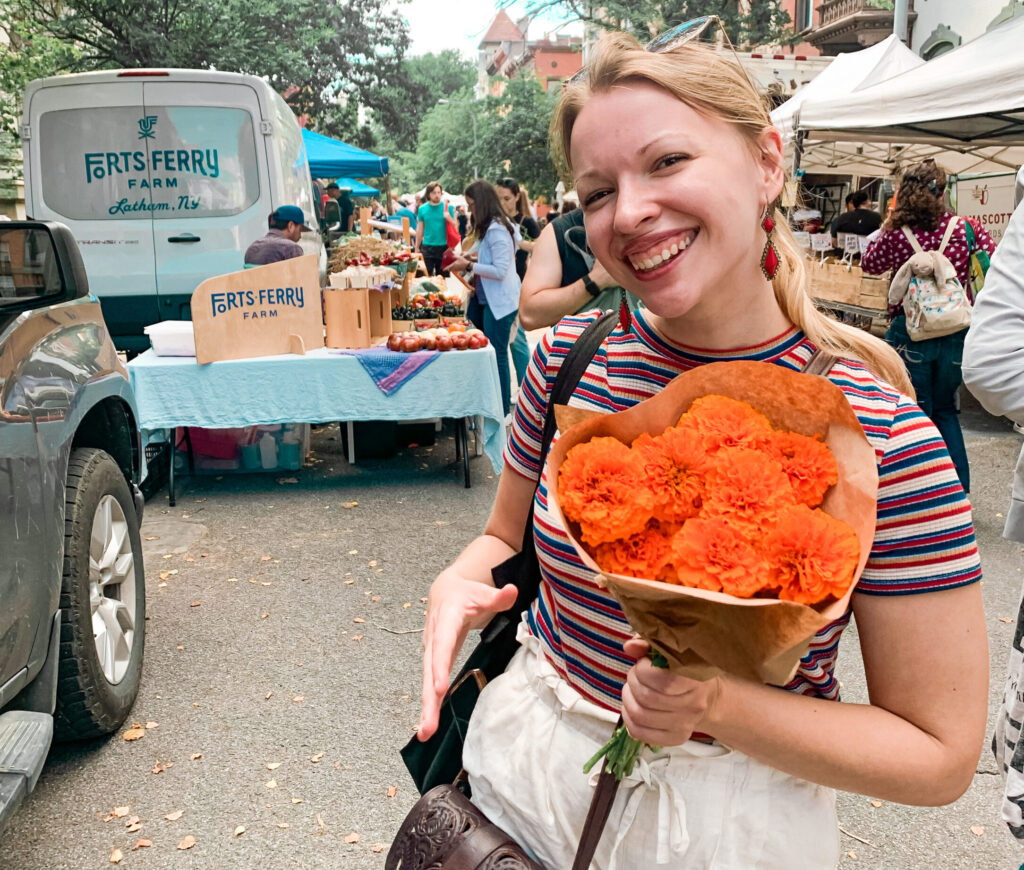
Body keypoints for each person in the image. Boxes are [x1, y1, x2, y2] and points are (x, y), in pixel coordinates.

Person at [418, 30, 987, 870]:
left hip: (728, 827)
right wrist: (463, 577)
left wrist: (716, 703)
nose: (631, 211)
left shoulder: (879, 435)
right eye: (599, 191)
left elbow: (939, 753)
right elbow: (505, 539)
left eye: (667, 162)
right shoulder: (567, 361)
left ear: (766, 162)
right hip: (519, 785)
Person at [861, 159, 995, 493]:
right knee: (947, 408)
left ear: (904, 194)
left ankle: (920, 489)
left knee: (913, 410)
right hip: (956, 331)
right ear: (942, 192)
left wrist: (890, 223)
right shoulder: (967, 228)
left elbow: (871, 263)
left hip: (911, 332)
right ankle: (958, 490)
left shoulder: (896, 233)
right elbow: (992, 264)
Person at [962, 166, 1024, 840]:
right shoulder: (964, 232)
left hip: (929, 338)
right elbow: (998, 360)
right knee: (936, 426)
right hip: (948, 338)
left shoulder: (887, 235)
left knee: (930, 420)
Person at [448, 180, 520, 417]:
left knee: (496, 354)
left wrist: (469, 263)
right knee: (491, 353)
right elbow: (490, 256)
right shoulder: (493, 227)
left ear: (482, 203)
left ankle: (501, 411)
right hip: (488, 299)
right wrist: (473, 256)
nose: (469, 210)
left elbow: (499, 270)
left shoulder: (498, 229)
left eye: (471, 205)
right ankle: (492, 404)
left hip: (499, 302)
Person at [518, 204, 636, 330]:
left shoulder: (651, 216)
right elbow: (528, 316)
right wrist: (595, 280)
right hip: (587, 344)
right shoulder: (560, 232)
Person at [496, 177, 541, 389]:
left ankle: (527, 388)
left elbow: (542, 248)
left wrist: (521, 244)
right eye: (498, 198)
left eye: (506, 198)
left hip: (518, 284)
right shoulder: (495, 221)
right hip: (496, 285)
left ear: (516, 197)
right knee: (509, 338)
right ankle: (525, 389)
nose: (502, 202)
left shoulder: (526, 222)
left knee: (518, 338)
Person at [243, 205, 309, 266]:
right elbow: (302, 277)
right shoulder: (292, 248)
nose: (300, 236)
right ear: (291, 226)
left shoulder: (251, 250)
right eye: (300, 230)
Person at [415, 181, 457, 276]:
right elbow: (420, 229)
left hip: (444, 247)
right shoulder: (422, 209)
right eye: (434, 193)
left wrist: (448, 218)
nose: (437, 195)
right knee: (425, 276)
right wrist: (417, 247)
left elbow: (455, 225)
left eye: (439, 193)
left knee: (442, 277)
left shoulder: (448, 207)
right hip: (427, 247)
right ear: (429, 194)